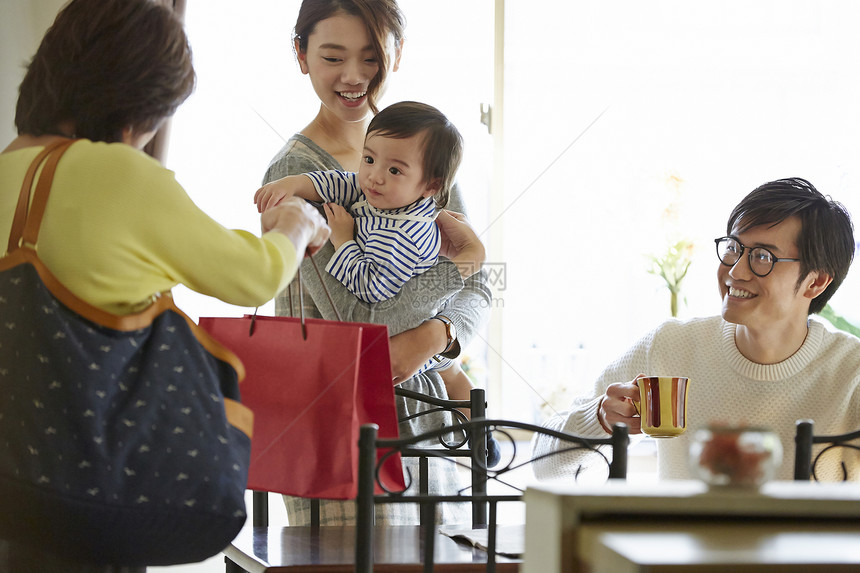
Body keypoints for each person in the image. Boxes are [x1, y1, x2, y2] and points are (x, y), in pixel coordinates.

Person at [0, 0, 329, 570]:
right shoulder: (115, 173)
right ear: (132, 104)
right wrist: (296, 225)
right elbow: (252, 276)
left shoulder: (7, 170)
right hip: (87, 503)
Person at [262, 0, 492, 525]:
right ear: (301, 55)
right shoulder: (298, 174)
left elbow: (479, 282)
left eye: (371, 57)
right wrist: (449, 289)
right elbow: (359, 320)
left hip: (422, 411)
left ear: (397, 52)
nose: (353, 76)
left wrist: (438, 337)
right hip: (337, 424)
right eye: (332, 56)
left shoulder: (426, 155)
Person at [532, 178, 860, 482]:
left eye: (762, 257)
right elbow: (543, 466)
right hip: (679, 544)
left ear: (816, 281)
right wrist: (600, 421)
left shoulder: (851, 372)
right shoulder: (671, 345)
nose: (735, 270)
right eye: (733, 247)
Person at [256, 100, 491, 425]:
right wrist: (295, 184)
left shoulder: (402, 233)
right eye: (368, 159)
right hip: (425, 328)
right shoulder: (391, 192)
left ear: (432, 186)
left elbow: (370, 290)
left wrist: (343, 239)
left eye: (393, 170)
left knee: (444, 370)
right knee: (449, 369)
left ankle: (478, 426)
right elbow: (340, 183)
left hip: (408, 338)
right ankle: (468, 404)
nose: (373, 177)